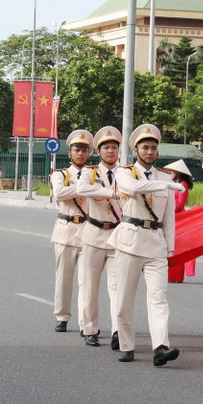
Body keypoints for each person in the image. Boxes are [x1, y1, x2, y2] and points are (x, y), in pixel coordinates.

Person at [109, 123, 182, 366]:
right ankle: (127, 345)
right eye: (145, 147)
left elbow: (169, 217)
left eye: (153, 148)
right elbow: (132, 188)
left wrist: (170, 246)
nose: (149, 152)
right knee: (124, 298)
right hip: (129, 240)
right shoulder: (124, 173)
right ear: (136, 150)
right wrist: (165, 185)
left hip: (156, 244)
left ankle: (160, 346)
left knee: (159, 297)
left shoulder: (165, 176)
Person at [76, 126, 123, 348]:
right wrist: (110, 192)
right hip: (93, 234)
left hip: (117, 234)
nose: (110, 151)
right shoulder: (89, 172)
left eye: (114, 147)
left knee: (117, 287)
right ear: (99, 151)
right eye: (106, 148)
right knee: (90, 286)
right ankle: (90, 329)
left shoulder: (126, 172)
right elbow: (83, 189)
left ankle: (117, 330)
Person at [49, 130, 92, 333]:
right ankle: (62, 316)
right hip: (65, 232)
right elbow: (59, 193)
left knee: (87, 281)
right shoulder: (60, 174)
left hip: (88, 232)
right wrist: (86, 188)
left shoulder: (95, 174)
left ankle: (86, 324)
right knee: (63, 278)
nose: (81, 154)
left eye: (84, 150)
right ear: (70, 153)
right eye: (77, 150)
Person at [164, 160, 194, 283]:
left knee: (175, 247)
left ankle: (176, 275)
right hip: (172, 217)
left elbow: (180, 204)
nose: (170, 173)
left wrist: (167, 206)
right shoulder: (176, 184)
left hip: (179, 218)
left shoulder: (183, 185)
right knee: (170, 246)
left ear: (178, 172)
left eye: (172, 171)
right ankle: (171, 275)